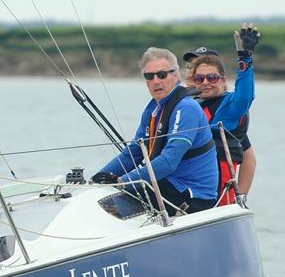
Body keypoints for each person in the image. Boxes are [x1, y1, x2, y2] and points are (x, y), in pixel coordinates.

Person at [92, 47, 217, 213]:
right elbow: (133, 153)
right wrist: (96, 181)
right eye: (149, 76)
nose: (156, 81)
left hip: (192, 196)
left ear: (176, 75)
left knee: (109, 204)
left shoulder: (186, 108)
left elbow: (168, 162)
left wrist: (122, 181)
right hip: (167, 184)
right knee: (98, 196)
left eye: (162, 74)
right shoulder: (153, 109)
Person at [182, 23, 260, 205]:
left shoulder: (227, 106)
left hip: (213, 196)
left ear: (222, 79)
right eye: (198, 75)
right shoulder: (186, 102)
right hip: (187, 188)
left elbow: (244, 97)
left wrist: (245, 58)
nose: (204, 81)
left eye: (211, 76)